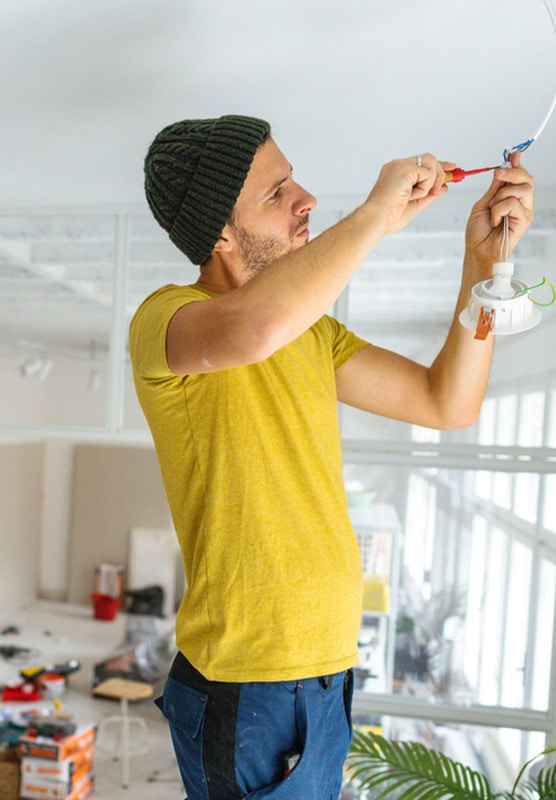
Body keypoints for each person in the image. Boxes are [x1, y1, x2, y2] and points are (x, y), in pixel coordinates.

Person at [129, 114, 534, 800]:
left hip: (325, 674)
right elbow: (255, 326)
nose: (305, 198)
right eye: (276, 192)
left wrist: (484, 263)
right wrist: (376, 215)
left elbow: (447, 403)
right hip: (247, 681)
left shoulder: (315, 336)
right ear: (219, 233)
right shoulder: (167, 320)